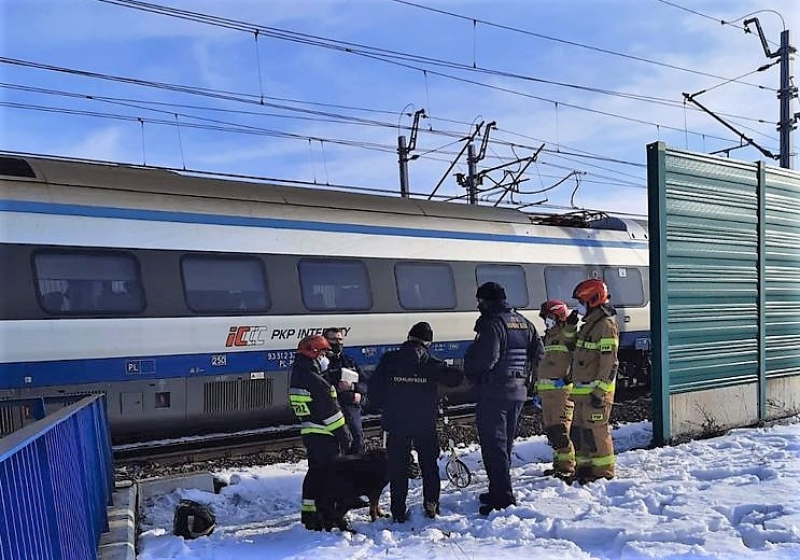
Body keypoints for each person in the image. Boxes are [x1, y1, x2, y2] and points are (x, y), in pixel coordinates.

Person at [368, 322, 463, 523]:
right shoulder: (431, 362)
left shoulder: (389, 359)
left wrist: (385, 407)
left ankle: (398, 512)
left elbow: (374, 391)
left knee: (397, 468)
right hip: (424, 423)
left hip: (396, 423)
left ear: (409, 337)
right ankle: (431, 505)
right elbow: (455, 379)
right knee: (429, 466)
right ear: (428, 342)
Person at [464, 281, 543, 516]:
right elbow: (539, 354)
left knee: (493, 447)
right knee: (504, 445)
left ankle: (503, 498)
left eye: (480, 301)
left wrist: (473, 376)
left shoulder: (493, 323)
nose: (479, 306)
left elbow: (486, 359)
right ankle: (497, 489)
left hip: (495, 391)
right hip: (518, 391)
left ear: (487, 301)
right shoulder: (524, 322)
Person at [289, 334, 353, 530]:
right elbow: (331, 413)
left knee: (315, 475)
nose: (326, 357)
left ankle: (310, 515)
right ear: (314, 354)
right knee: (330, 478)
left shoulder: (299, 375)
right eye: (323, 352)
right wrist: (345, 436)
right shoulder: (315, 380)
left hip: (310, 433)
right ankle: (329, 517)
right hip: (325, 435)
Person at [570, 278, 619, 484]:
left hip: (595, 393)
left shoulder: (605, 325)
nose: (580, 307)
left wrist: (599, 392)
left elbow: (609, 363)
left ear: (593, 299)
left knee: (597, 433)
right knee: (582, 433)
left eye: (583, 302)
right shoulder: (589, 326)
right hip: (583, 393)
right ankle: (584, 469)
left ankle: (603, 473)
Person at [534, 299, 580, 480]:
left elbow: (577, 357)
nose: (546, 321)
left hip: (562, 392)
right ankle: (559, 465)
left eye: (549, 317)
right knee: (553, 431)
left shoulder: (566, 335)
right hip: (547, 393)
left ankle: (568, 467)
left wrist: (569, 378)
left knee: (562, 431)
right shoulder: (549, 336)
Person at [323, 327, 367, 454]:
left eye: (340, 339)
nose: (338, 343)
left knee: (357, 442)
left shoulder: (349, 361)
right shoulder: (322, 363)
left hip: (352, 409)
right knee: (337, 446)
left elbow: (365, 384)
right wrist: (339, 389)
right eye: (334, 339)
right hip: (333, 410)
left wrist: (354, 389)